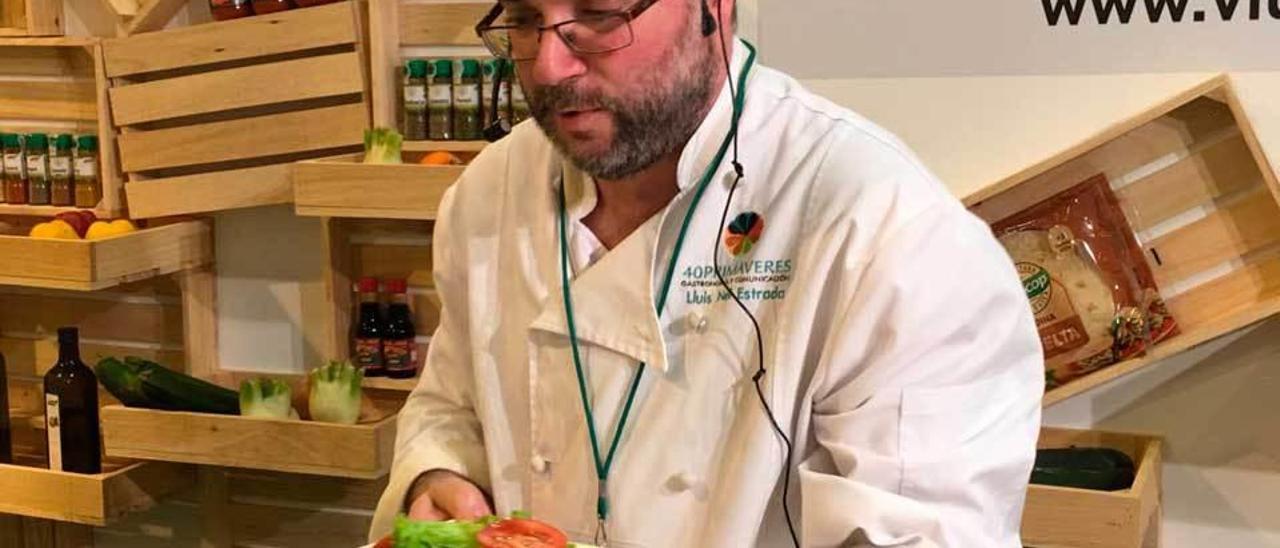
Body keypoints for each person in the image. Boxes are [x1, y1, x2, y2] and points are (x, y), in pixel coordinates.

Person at [370, 0, 1044, 545]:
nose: (548, 65)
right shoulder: (491, 189)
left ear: (713, 8)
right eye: (523, 18)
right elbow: (451, 400)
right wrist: (437, 476)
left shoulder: (882, 230)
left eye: (600, 15)